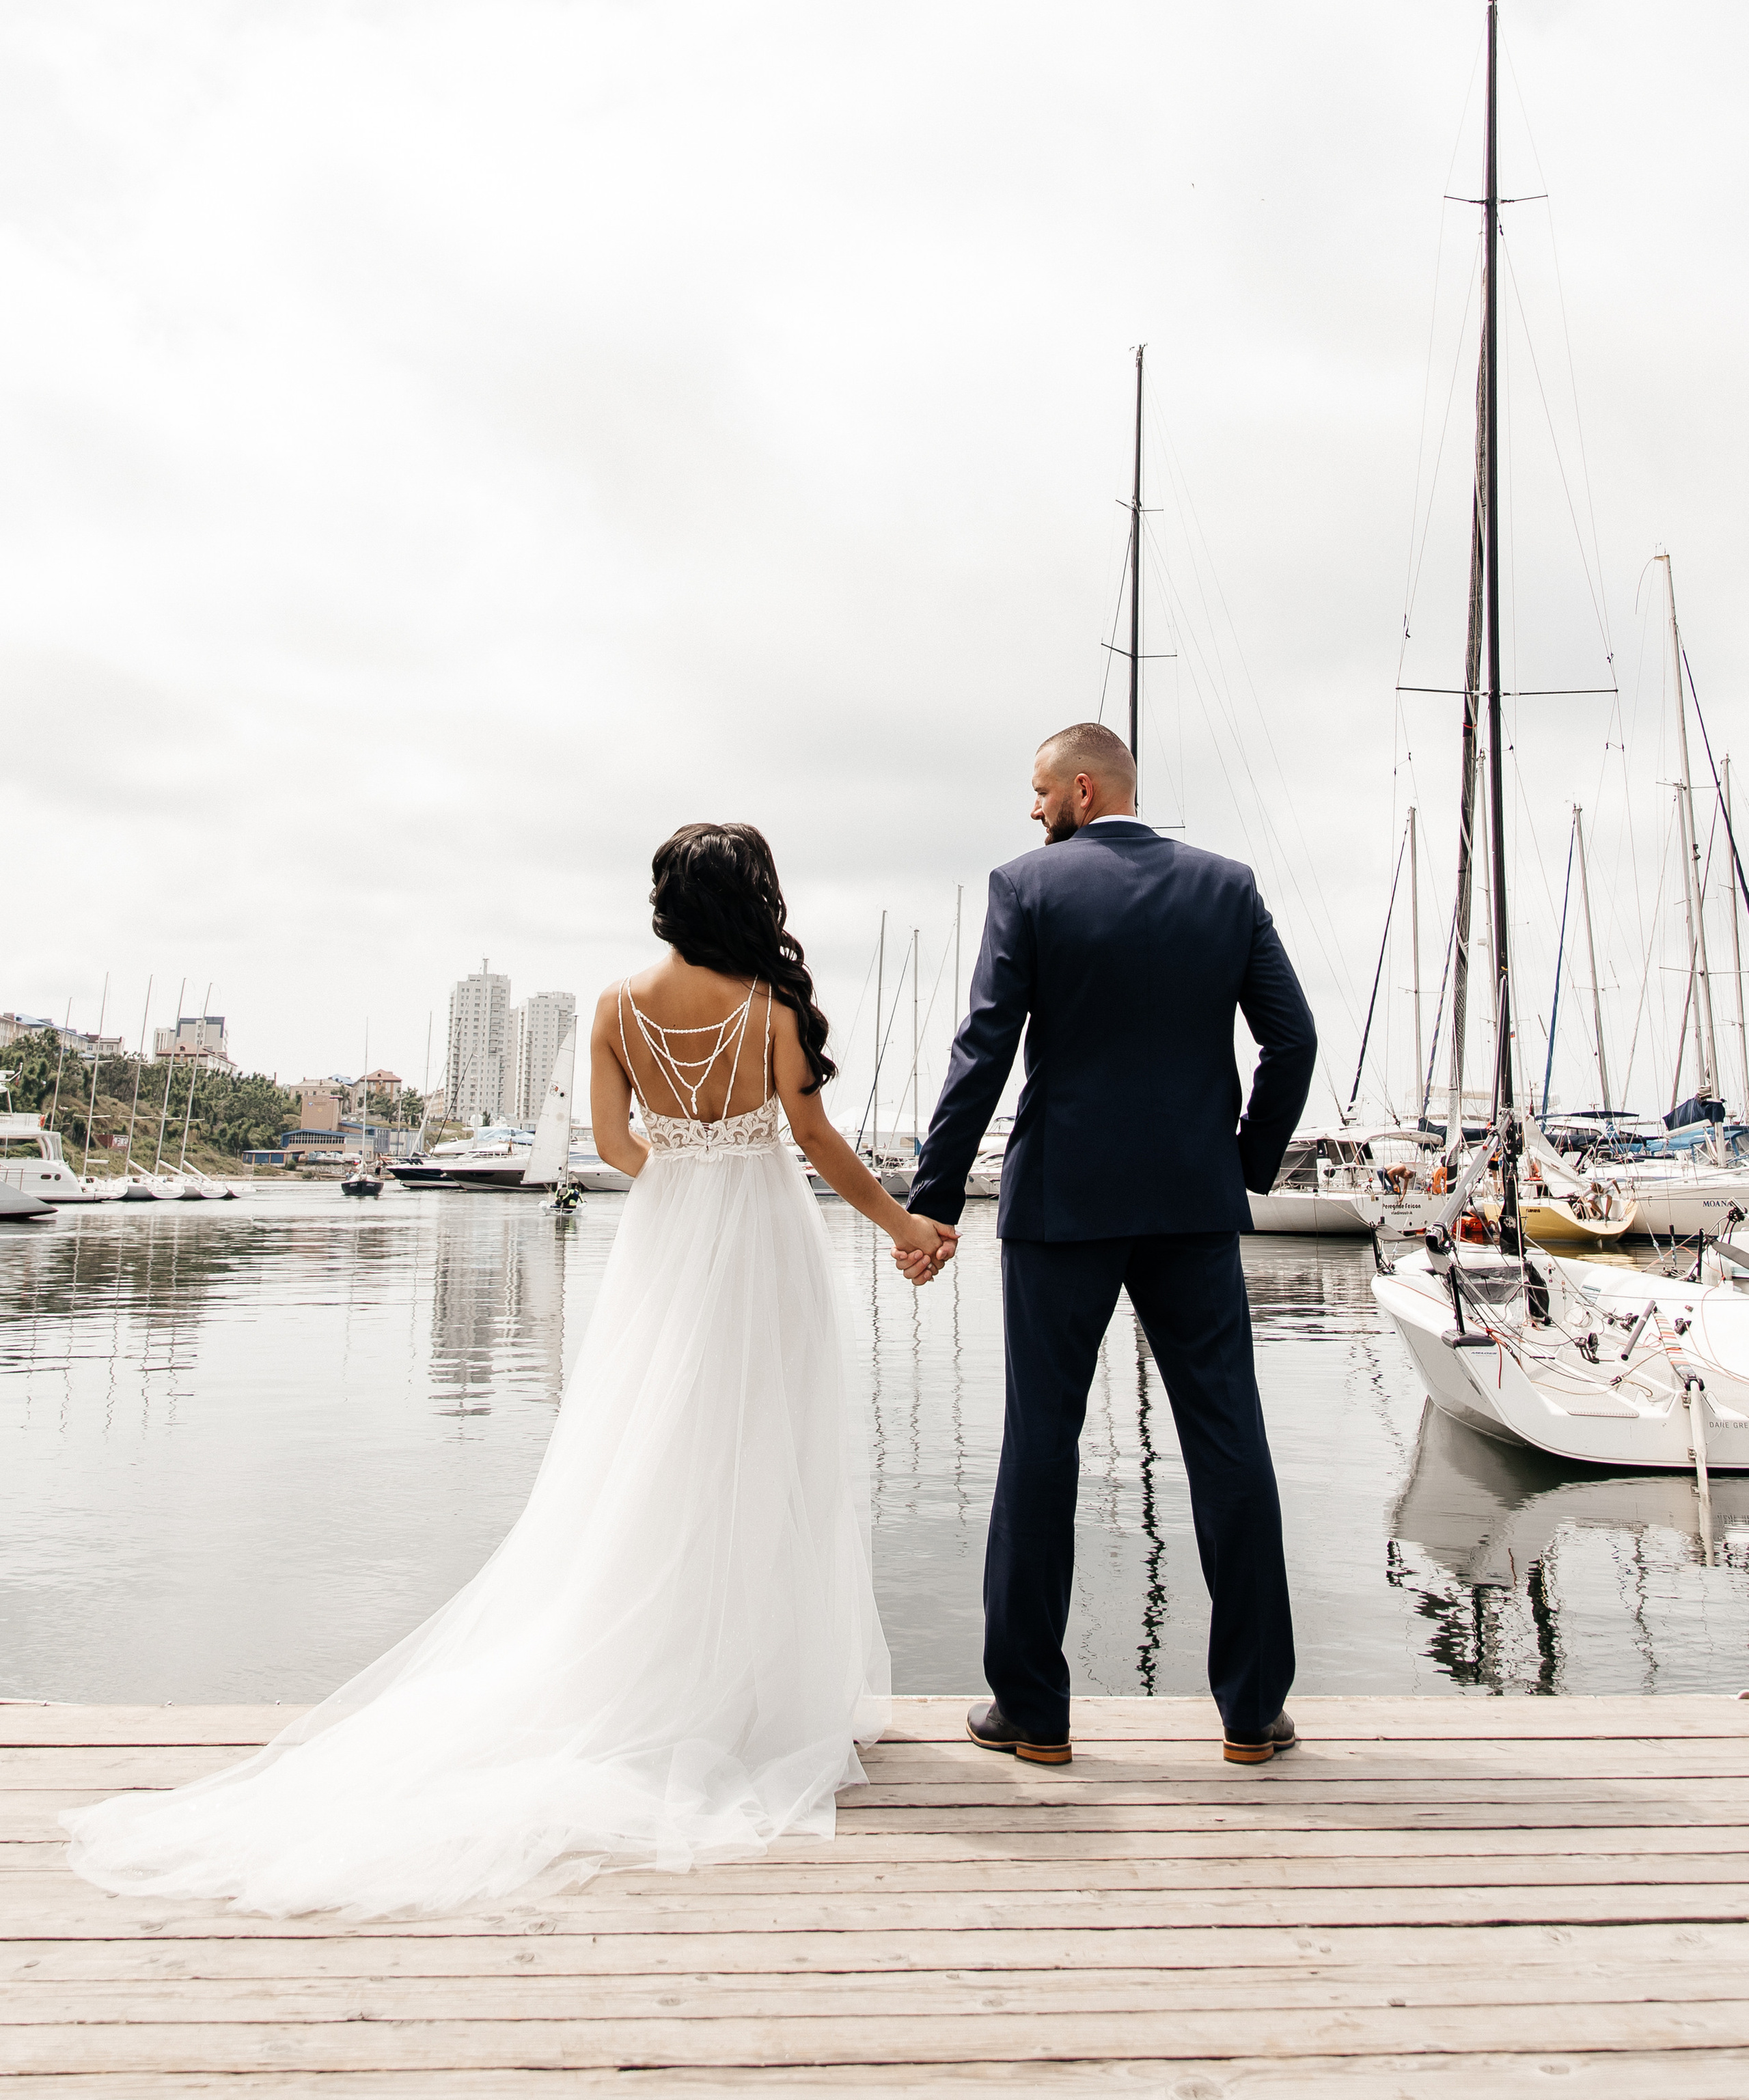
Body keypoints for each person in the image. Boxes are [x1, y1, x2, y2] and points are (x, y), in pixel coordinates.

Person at [67, 823, 952, 1917]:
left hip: (670, 1238)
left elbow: (615, 1147)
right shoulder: (771, 1009)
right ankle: (756, 1695)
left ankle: (669, 1673)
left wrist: (687, 1167)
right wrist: (905, 1224)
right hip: (763, 1239)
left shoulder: (619, 1008)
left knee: (653, 1444)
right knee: (765, 1442)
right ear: (753, 899)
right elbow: (816, 1144)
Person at [905, 723, 1317, 1768]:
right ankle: (1252, 1713)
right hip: (1192, 1203)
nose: (1032, 810)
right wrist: (1243, 1166)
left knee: (1040, 1445)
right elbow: (1293, 1038)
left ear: (1084, 790)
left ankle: (1035, 1714)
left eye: (1041, 792)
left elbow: (984, 1051)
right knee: (1228, 1440)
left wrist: (935, 1197)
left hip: (1063, 1207)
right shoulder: (1226, 887)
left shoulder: (1029, 890)